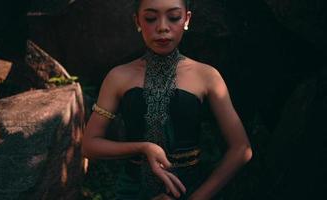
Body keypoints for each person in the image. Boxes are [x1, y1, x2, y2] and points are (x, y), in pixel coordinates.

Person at [82, 0, 252, 199]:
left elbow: (241, 149)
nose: (162, 27)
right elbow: (89, 146)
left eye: (173, 17)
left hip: (191, 190)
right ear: (137, 21)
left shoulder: (207, 76)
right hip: (132, 192)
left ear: (187, 19)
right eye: (151, 18)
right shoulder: (118, 77)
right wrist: (144, 147)